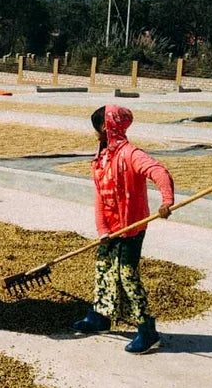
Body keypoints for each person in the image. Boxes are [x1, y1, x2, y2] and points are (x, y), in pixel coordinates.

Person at [71, 105, 175, 354]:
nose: (96, 133)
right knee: (103, 268)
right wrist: (102, 229)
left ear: (106, 127)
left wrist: (166, 201)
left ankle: (147, 331)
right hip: (110, 229)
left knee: (127, 276)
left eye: (97, 128)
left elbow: (159, 172)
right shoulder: (102, 158)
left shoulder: (130, 154)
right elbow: (100, 196)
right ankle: (101, 317)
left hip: (131, 227)